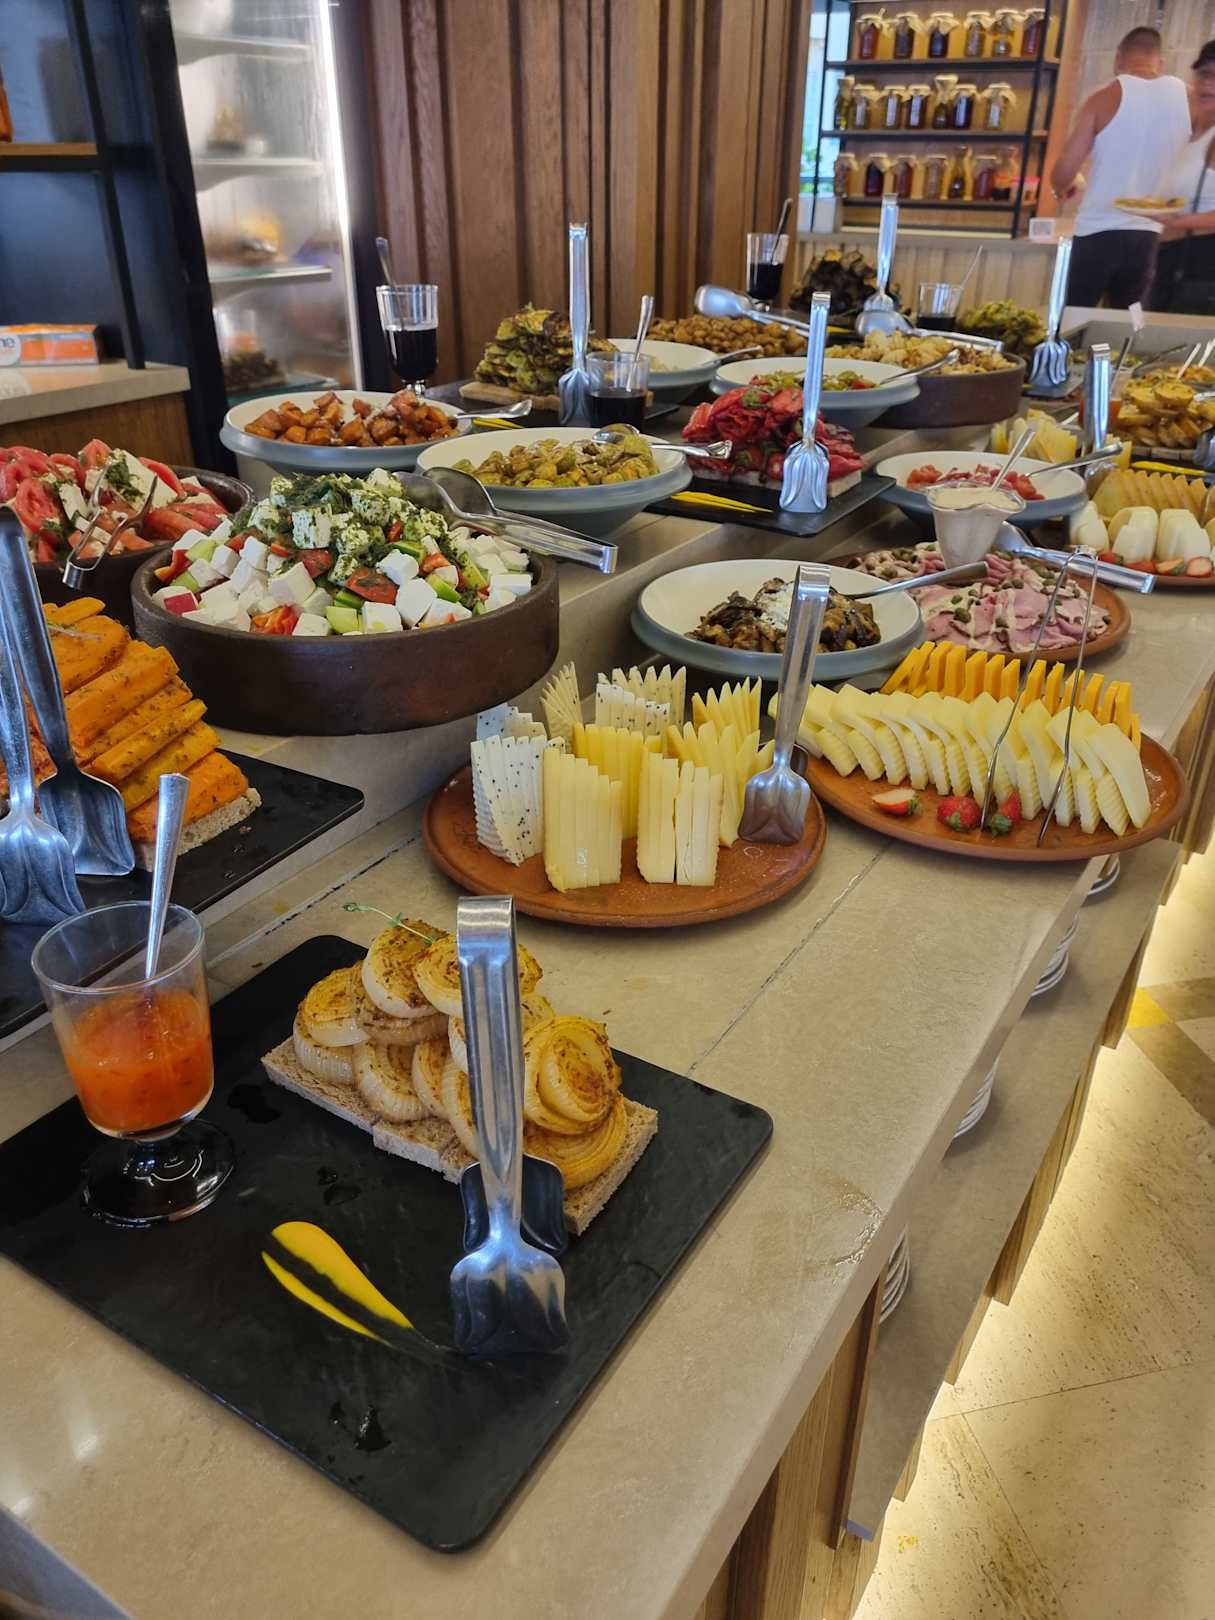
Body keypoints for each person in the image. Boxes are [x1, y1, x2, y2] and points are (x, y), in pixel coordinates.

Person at [1050, 26, 1191, 309]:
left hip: (1097, 232)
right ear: (1160, 63)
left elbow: (1063, 172)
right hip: (1152, 236)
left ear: (1118, 60)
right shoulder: (1190, 98)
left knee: (1074, 318)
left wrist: (1064, 186)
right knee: (1130, 322)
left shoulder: (1102, 98)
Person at [1149, 41, 1215, 312]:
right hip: (1171, 262)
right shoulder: (1191, 131)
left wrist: (1179, 221)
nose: (1207, 84)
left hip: (1202, 269)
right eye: (1204, 74)